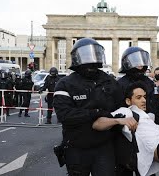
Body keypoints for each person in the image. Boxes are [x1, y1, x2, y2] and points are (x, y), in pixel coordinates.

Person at [53, 38, 129, 176]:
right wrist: (95, 113)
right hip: (76, 145)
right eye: (86, 56)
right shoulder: (65, 84)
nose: (91, 61)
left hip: (104, 146)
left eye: (94, 56)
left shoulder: (109, 81)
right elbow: (65, 116)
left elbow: (121, 108)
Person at [116, 46, 155, 176]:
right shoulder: (120, 84)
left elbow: (154, 104)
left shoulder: (149, 83)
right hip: (125, 132)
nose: (140, 66)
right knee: (124, 167)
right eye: (136, 62)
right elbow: (116, 108)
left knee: (147, 169)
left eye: (142, 62)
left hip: (146, 131)